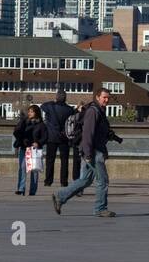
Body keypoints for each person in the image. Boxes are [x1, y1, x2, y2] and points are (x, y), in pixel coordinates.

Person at [53, 87, 120, 218]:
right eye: (104, 97)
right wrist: (88, 154)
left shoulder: (99, 111)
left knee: (85, 180)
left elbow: (98, 132)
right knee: (103, 180)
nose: (106, 100)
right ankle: (100, 208)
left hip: (93, 150)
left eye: (108, 98)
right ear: (97, 97)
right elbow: (88, 134)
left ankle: (60, 196)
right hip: (93, 151)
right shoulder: (93, 111)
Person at [40, 89, 76, 188]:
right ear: (65, 98)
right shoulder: (69, 109)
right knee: (64, 161)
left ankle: (48, 181)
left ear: (56, 97)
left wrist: (53, 101)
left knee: (50, 160)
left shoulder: (50, 107)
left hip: (51, 137)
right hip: (64, 137)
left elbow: (43, 106)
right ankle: (64, 181)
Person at [19, 104, 49, 196]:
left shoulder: (41, 125)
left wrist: (38, 143)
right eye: (29, 111)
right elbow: (19, 132)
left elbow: (45, 137)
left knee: (34, 170)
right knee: (22, 168)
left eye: (31, 112)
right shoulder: (25, 122)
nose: (29, 113)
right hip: (25, 148)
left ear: (36, 113)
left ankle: (33, 190)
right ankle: (21, 188)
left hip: (35, 150)